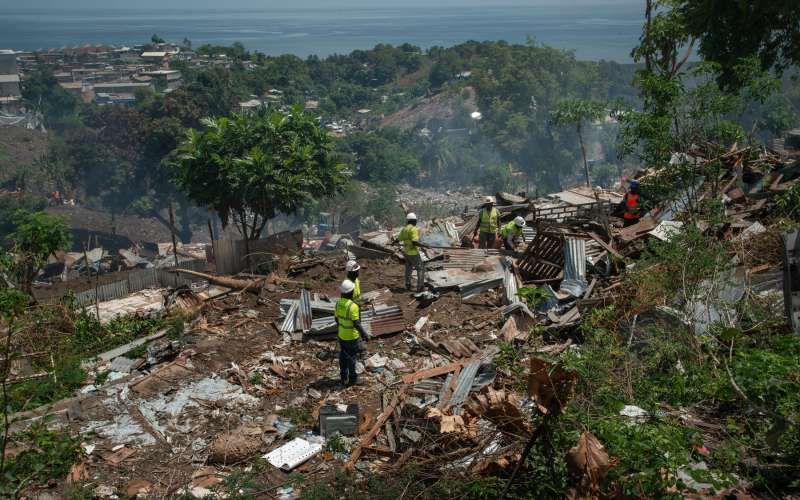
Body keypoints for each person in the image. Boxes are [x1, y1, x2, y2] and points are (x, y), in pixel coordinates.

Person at [335, 279, 369, 386]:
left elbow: (336, 319)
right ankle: (352, 380)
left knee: (343, 355)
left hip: (341, 335)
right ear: (351, 292)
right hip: (352, 337)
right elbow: (356, 323)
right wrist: (364, 334)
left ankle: (343, 376)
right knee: (352, 358)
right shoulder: (353, 306)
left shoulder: (338, 303)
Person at [398, 212, 425, 292]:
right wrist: (424, 246)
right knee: (420, 269)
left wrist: (393, 242)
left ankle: (408, 284)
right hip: (413, 253)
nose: (416, 222)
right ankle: (420, 287)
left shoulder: (404, 229)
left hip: (406, 253)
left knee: (408, 269)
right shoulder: (414, 229)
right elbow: (414, 242)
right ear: (413, 221)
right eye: (415, 221)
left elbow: (398, 239)